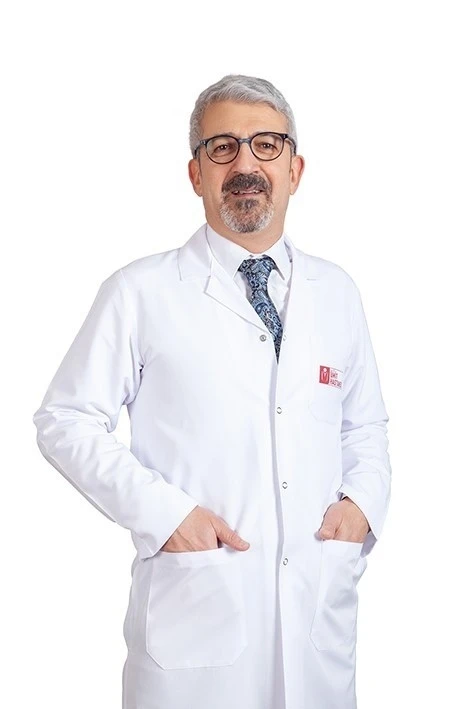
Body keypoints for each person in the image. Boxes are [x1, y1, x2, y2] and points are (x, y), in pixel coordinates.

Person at [32, 74, 392, 709]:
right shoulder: (139, 292)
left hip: (317, 619)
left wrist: (361, 505)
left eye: (266, 145)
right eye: (222, 147)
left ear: (295, 169)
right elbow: (65, 418)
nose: (245, 164)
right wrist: (165, 515)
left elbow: (363, 425)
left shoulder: (338, 292)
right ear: (196, 173)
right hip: (194, 625)